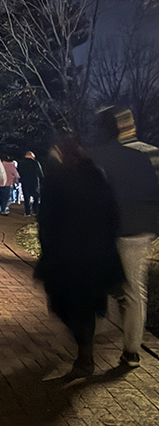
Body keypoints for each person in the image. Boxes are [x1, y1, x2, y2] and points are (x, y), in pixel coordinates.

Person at [35, 133, 124, 379]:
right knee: (85, 304)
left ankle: (85, 349)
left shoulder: (57, 179)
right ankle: (85, 346)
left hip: (67, 255)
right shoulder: (96, 177)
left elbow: (46, 219)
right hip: (92, 254)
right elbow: (112, 214)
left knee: (65, 303)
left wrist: (47, 248)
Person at [88, 107, 159, 368]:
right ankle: (131, 350)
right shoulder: (147, 155)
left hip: (105, 231)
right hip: (138, 230)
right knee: (134, 290)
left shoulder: (95, 156)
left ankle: (88, 343)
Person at [18, 151, 44, 216]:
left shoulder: (21, 162)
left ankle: (27, 212)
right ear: (32, 156)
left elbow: (19, 172)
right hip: (34, 182)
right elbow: (40, 173)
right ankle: (35, 210)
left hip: (25, 181)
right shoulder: (35, 163)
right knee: (36, 197)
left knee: (26, 197)